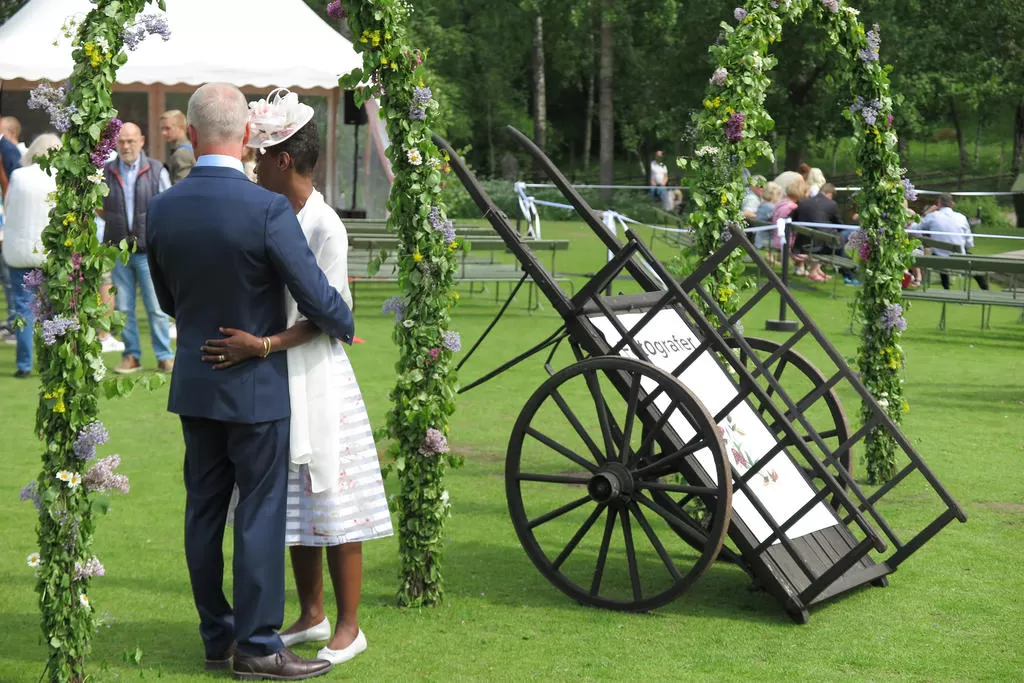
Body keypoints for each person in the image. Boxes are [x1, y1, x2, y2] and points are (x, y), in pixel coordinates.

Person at [146, 82, 352, 680]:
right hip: (257, 386)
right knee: (259, 516)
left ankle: (217, 637)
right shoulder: (266, 209)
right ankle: (259, 645)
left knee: (203, 513)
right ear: (243, 137)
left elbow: (166, 299)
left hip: (194, 381)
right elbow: (324, 303)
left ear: (192, 133)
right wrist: (316, 324)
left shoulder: (161, 207)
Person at [201, 89, 392, 666]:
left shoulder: (325, 226)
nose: (253, 165)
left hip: (314, 372)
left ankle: (349, 626)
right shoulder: (270, 211)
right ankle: (311, 615)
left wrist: (261, 344)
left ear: (283, 160)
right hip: (274, 371)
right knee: (294, 505)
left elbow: (330, 316)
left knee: (333, 496)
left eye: (260, 156)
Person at [101, 122, 175, 373]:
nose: (126, 146)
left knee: (156, 307)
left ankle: (165, 355)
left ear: (141, 141)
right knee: (123, 309)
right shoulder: (106, 171)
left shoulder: (156, 170)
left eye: (131, 141)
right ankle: (132, 355)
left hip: (149, 251)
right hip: (118, 250)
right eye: (121, 142)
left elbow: (168, 207)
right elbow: (99, 206)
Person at [2, 133, 61, 377]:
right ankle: (50, 361)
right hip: (50, 253)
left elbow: (9, 206)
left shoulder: (18, 175)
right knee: (51, 309)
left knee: (24, 309)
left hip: (19, 252)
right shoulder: (60, 176)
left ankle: (24, 365)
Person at [919, 193, 988, 290]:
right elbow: (969, 243)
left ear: (939, 204)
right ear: (952, 204)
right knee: (970, 259)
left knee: (941, 256)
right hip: (958, 260)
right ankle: (985, 288)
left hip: (939, 260)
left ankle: (946, 288)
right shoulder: (961, 218)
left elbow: (917, 227)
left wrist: (927, 213)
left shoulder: (932, 216)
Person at [160, 109, 196, 184]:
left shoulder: (182, 153)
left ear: (182, 127)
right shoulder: (187, 148)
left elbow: (181, 187)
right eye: (162, 129)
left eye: (167, 128)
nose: (163, 133)